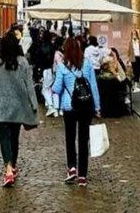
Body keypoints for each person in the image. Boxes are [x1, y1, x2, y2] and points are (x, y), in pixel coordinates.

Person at [0, 32, 39, 188]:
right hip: (18, 106)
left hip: (0, 106)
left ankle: (8, 168)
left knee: (4, 137)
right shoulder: (23, 63)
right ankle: (12, 166)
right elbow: (29, 86)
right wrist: (33, 104)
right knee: (14, 137)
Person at [52, 37, 101, 188]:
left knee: (70, 138)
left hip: (69, 106)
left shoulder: (62, 66)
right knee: (83, 140)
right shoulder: (86, 64)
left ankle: (72, 167)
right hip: (86, 106)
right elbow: (93, 86)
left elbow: (57, 88)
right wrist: (97, 107)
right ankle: (82, 176)